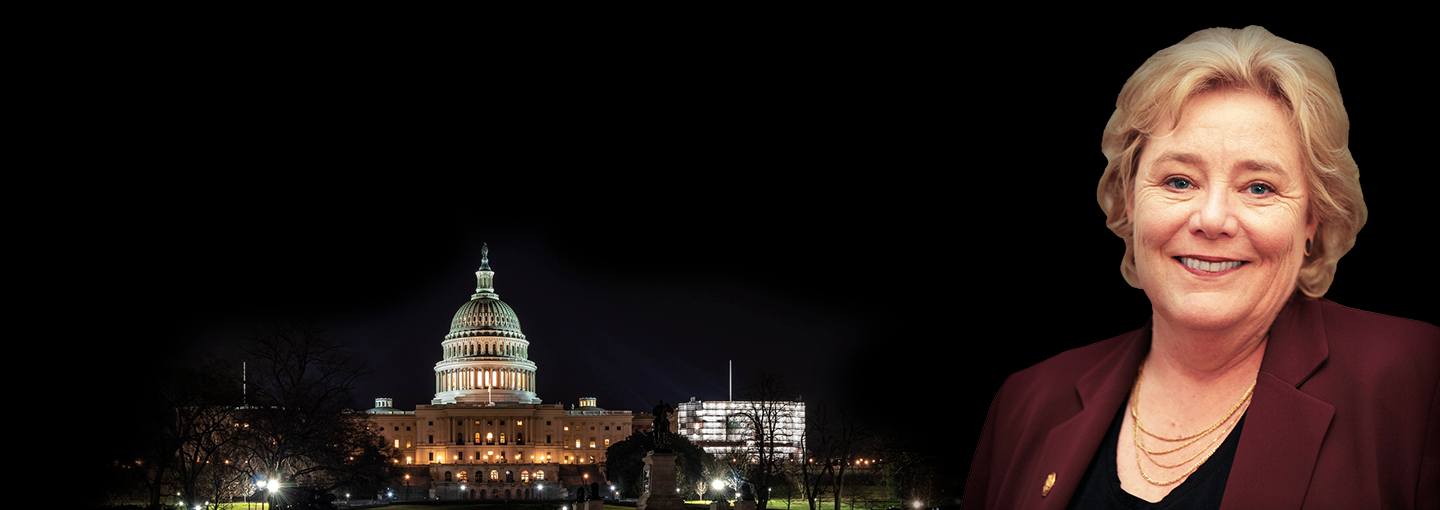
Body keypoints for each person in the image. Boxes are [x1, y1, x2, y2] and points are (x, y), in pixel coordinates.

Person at [962, 26, 1439, 509]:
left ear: (1312, 217)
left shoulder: (1420, 376)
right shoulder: (1027, 401)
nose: (1212, 220)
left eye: (1259, 187)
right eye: (1178, 180)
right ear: (1130, 200)